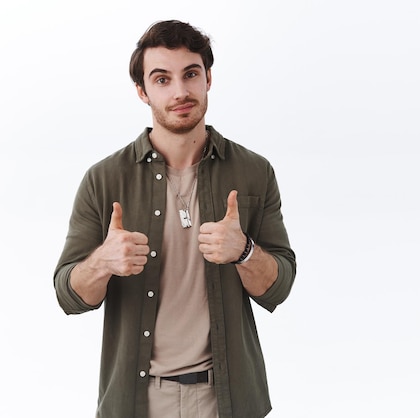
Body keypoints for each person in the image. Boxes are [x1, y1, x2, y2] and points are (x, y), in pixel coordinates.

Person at [54, 20, 296, 418]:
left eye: (190, 74)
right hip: (139, 401)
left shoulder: (254, 172)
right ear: (142, 91)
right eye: (162, 79)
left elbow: (279, 286)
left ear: (208, 79)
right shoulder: (104, 179)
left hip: (229, 399)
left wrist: (245, 251)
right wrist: (103, 262)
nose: (180, 91)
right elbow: (68, 295)